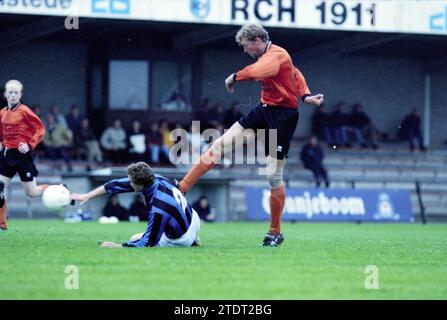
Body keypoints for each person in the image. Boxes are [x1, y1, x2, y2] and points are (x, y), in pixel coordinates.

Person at [177, 23, 324, 246]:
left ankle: (275, 232)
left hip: (283, 118)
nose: (245, 51)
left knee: (273, 176)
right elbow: (295, 72)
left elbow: (258, 72)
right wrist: (306, 95)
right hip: (264, 110)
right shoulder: (272, 57)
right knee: (219, 146)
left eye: (246, 46)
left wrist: (233, 77)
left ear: (257, 40)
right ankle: (181, 190)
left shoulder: (276, 56)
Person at [71, 162, 200, 248]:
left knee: (135, 238)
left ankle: (190, 240)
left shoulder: (158, 207)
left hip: (182, 239)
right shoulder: (155, 179)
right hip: (194, 219)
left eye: (131, 182)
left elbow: (149, 241)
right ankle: (194, 237)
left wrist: (119, 246)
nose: (129, 183)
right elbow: (113, 185)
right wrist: (87, 196)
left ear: (140, 185)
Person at [0, 80, 48, 230]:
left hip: (22, 156)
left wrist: (29, 144)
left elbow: (40, 129)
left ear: (20, 95)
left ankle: (56, 189)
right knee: (0, 187)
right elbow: (1, 133)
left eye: (16, 93)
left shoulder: (25, 111)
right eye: (10, 92)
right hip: (7, 154)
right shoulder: (2, 112)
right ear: (5, 94)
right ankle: (2, 223)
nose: (13, 95)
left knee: (32, 193)